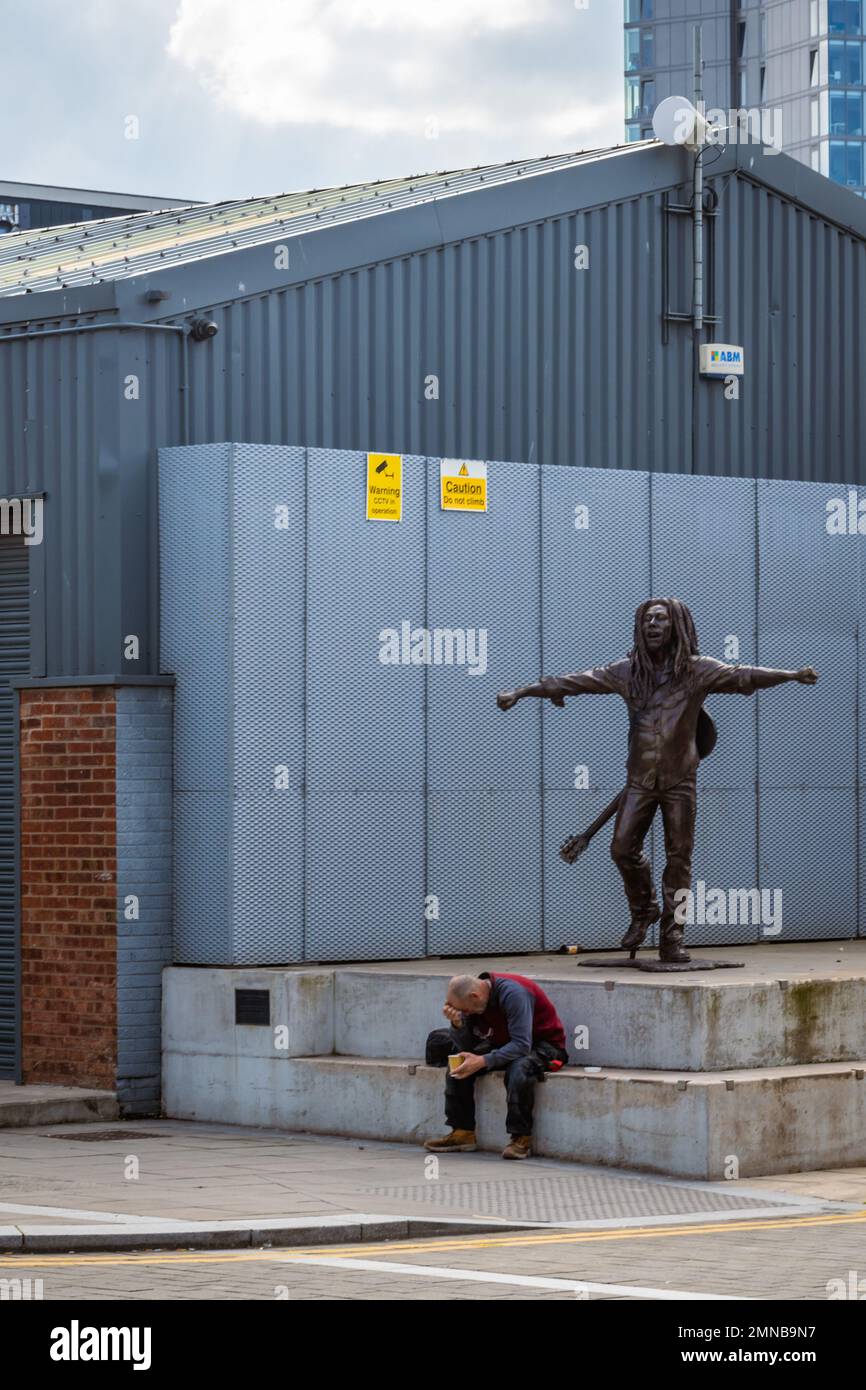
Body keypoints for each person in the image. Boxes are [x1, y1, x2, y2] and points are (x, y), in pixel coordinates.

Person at [497, 597, 818, 963]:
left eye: (660, 620)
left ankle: (673, 936)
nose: (652, 625)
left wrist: (790, 675)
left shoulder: (698, 671)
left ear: (676, 626)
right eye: (647, 619)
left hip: (680, 782)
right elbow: (576, 682)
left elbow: (743, 675)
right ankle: (644, 909)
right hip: (640, 781)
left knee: (678, 860)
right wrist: (523, 693)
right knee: (621, 849)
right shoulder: (627, 671)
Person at [424, 972, 568, 1160]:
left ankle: (521, 1138)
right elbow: (467, 1046)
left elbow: (522, 1045)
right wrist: (457, 1024)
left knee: (519, 1069)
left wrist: (483, 1060)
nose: (466, 1014)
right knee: (458, 1064)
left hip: (543, 1045)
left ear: (474, 996)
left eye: (465, 1011)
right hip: (503, 1042)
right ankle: (462, 1133)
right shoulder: (475, 1002)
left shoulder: (513, 993)